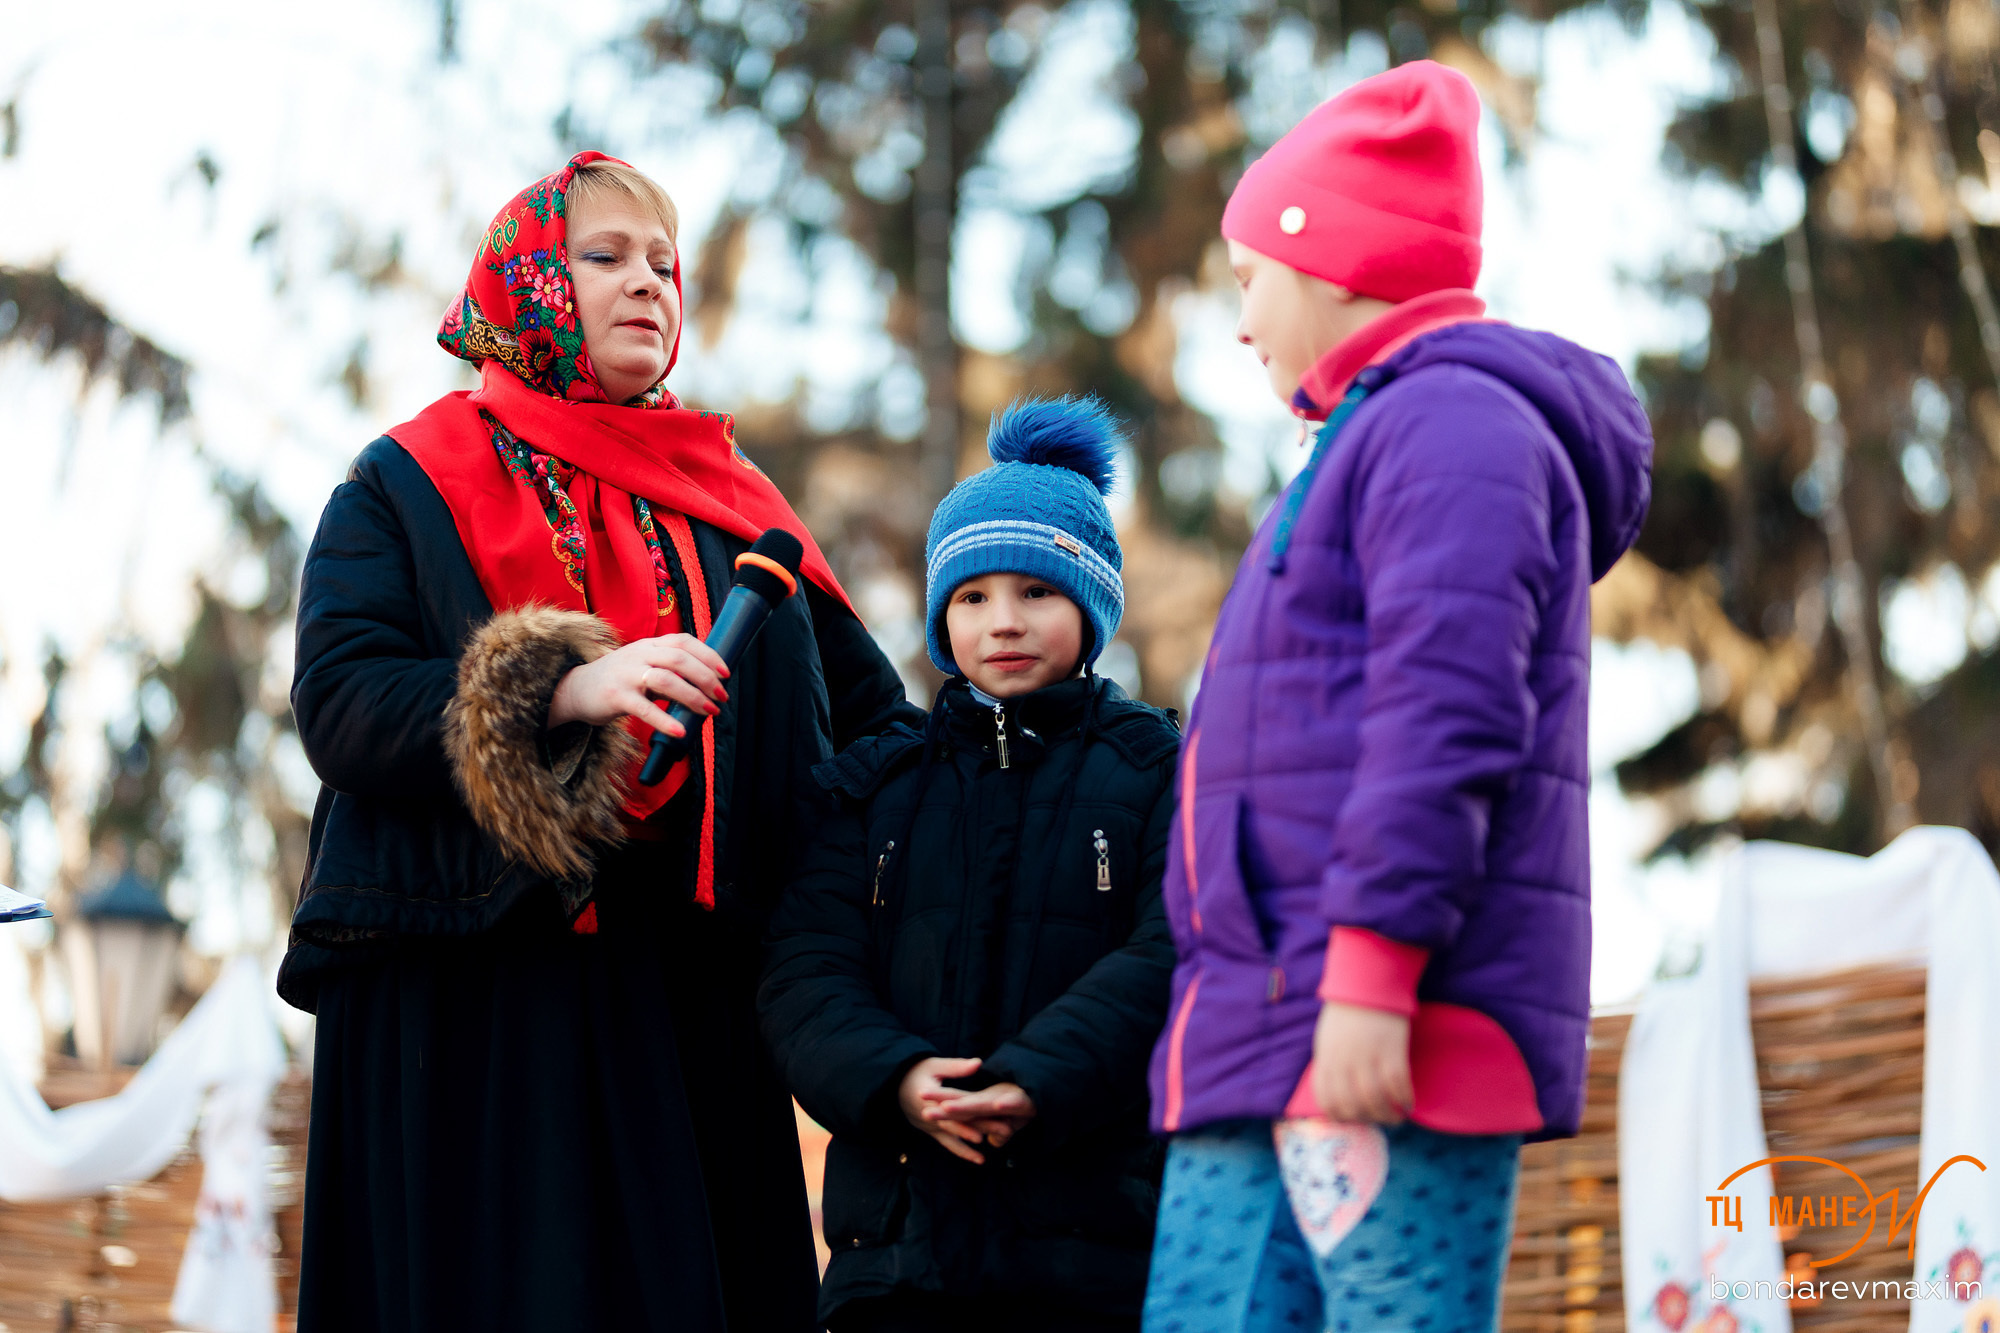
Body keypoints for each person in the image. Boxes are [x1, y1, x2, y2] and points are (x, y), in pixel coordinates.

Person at [278, 151, 917, 1333]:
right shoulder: (404, 480)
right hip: (472, 995)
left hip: (692, 1010)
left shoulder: (741, 509)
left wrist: (1056, 759)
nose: (649, 285)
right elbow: (342, 701)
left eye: (666, 265)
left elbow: (881, 747)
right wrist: (565, 686)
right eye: (607, 257)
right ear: (525, 282)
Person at [1141, 62, 1654, 1332]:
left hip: (1379, 1033)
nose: (1242, 323)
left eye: (1248, 280)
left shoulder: (1452, 429)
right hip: (1265, 1032)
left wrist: (1371, 980)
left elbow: (1445, 716)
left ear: (1334, 263)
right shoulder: (1364, 440)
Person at [759, 399, 1181, 1333]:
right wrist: (900, 1079)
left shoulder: (1160, 771)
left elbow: (1172, 952)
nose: (1004, 622)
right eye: (972, 595)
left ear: (1093, 602)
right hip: (896, 1268)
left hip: (1096, 1257)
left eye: (1037, 591)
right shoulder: (872, 788)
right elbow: (805, 976)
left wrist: (1038, 1077)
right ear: (942, 616)